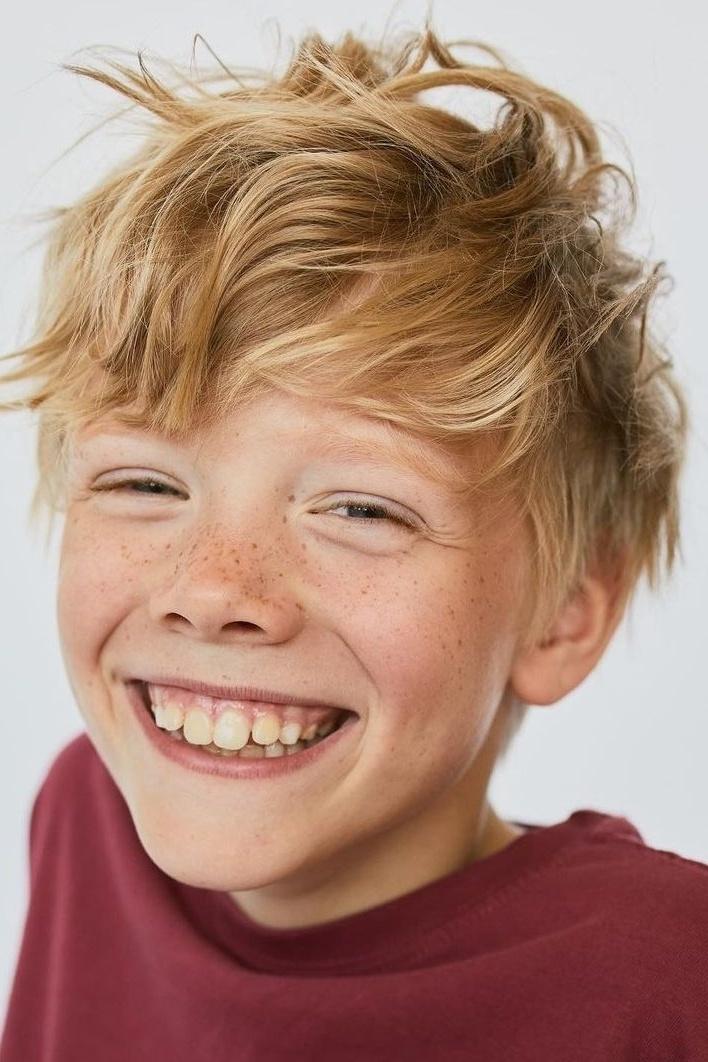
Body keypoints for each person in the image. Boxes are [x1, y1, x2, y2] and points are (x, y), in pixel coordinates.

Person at [1, 17, 706, 1061]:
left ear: (564, 615)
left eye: (361, 510)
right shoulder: (87, 820)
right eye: (144, 483)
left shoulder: (667, 977)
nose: (214, 590)